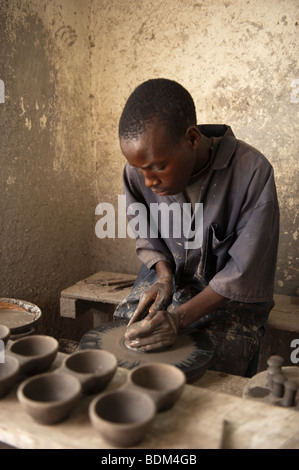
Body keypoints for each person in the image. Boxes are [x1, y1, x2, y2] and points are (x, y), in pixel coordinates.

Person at [113, 78, 279, 377]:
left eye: (158, 168)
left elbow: (245, 271)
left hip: (230, 294)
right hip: (170, 276)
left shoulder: (253, 171)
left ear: (192, 139)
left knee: (216, 360)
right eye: (140, 170)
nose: (148, 180)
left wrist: (178, 318)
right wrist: (163, 277)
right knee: (129, 334)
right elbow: (146, 234)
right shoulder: (139, 169)